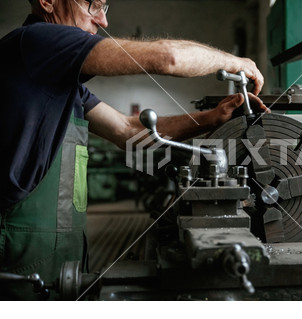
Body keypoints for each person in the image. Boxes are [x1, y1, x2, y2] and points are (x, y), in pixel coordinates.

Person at [0, 0, 267, 300]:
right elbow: (169, 58)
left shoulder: (62, 81)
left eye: (105, 7)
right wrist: (235, 62)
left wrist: (210, 118)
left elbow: (128, 131)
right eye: (92, 5)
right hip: (23, 247)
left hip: (60, 245)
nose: (102, 20)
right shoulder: (34, 41)